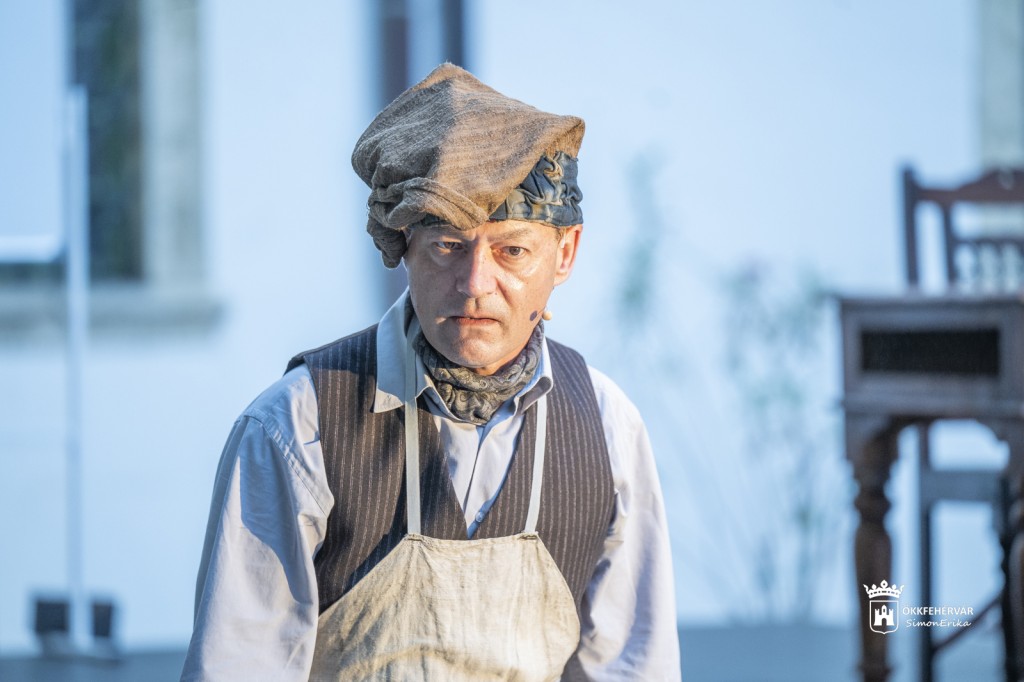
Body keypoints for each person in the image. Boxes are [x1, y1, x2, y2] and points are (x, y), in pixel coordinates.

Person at [181, 63, 680, 681]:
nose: (475, 284)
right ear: (404, 247)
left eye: (512, 250)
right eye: (447, 245)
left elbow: (633, 669)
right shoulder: (297, 426)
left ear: (565, 253)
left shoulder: (606, 427)